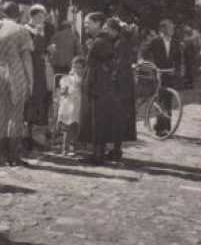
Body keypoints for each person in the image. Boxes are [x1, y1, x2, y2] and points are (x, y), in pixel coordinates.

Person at [0, 1, 33, 166]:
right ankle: (13, 156)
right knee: (15, 113)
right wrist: (30, 80)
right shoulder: (21, 30)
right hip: (14, 69)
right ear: (18, 13)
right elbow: (26, 58)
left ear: (3, 13)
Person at [78, 12, 116, 164]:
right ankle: (97, 153)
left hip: (96, 85)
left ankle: (97, 155)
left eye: (88, 23)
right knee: (95, 119)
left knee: (96, 119)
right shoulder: (101, 40)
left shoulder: (100, 42)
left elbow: (95, 64)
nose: (85, 26)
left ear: (98, 23)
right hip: (99, 84)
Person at [104, 18, 137, 162]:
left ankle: (116, 150)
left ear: (113, 30)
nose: (106, 32)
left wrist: (110, 78)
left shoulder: (120, 43)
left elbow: (119, 65)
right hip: (124, 84)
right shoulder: (120, 41)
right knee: (118, 117)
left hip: (120, 86)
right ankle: (116, 149)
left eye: (107, 29)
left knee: (117, 117)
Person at [23, 4, 53, 153]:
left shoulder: (40, 30)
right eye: (41, 16)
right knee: (30, 102)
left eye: (44, 17)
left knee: (39, 103)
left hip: (40, 70)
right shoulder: (26, 30)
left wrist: (48, 50)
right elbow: (32, 49)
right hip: (31, 70)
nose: (43, 19)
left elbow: (41, 50)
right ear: (33, 16)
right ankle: (26, 139)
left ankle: (34, 138)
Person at [145, 18, 182, 135]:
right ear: (163, 29)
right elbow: (144, 51)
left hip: (170, 74)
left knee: (168, 101)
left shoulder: (175, 42)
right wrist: (147, 64)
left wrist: (177, 70)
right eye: (170, 27)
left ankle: (166, 127)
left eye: (173, 28)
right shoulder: (155, 41)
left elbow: (178, 58)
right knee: (160, 100)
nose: (173, 30)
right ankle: (159, 128)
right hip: (158, 73)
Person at [56, 56, 85, 156]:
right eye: (75, 67)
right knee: (68, 127)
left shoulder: (84, 79)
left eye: (80, 68)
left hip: (79, 104)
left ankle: (74, 147)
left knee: (77, 126)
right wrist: (64, 90)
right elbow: (63, 92)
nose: (77, 70)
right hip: (69, 105)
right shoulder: (67, 78)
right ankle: (65, 148)